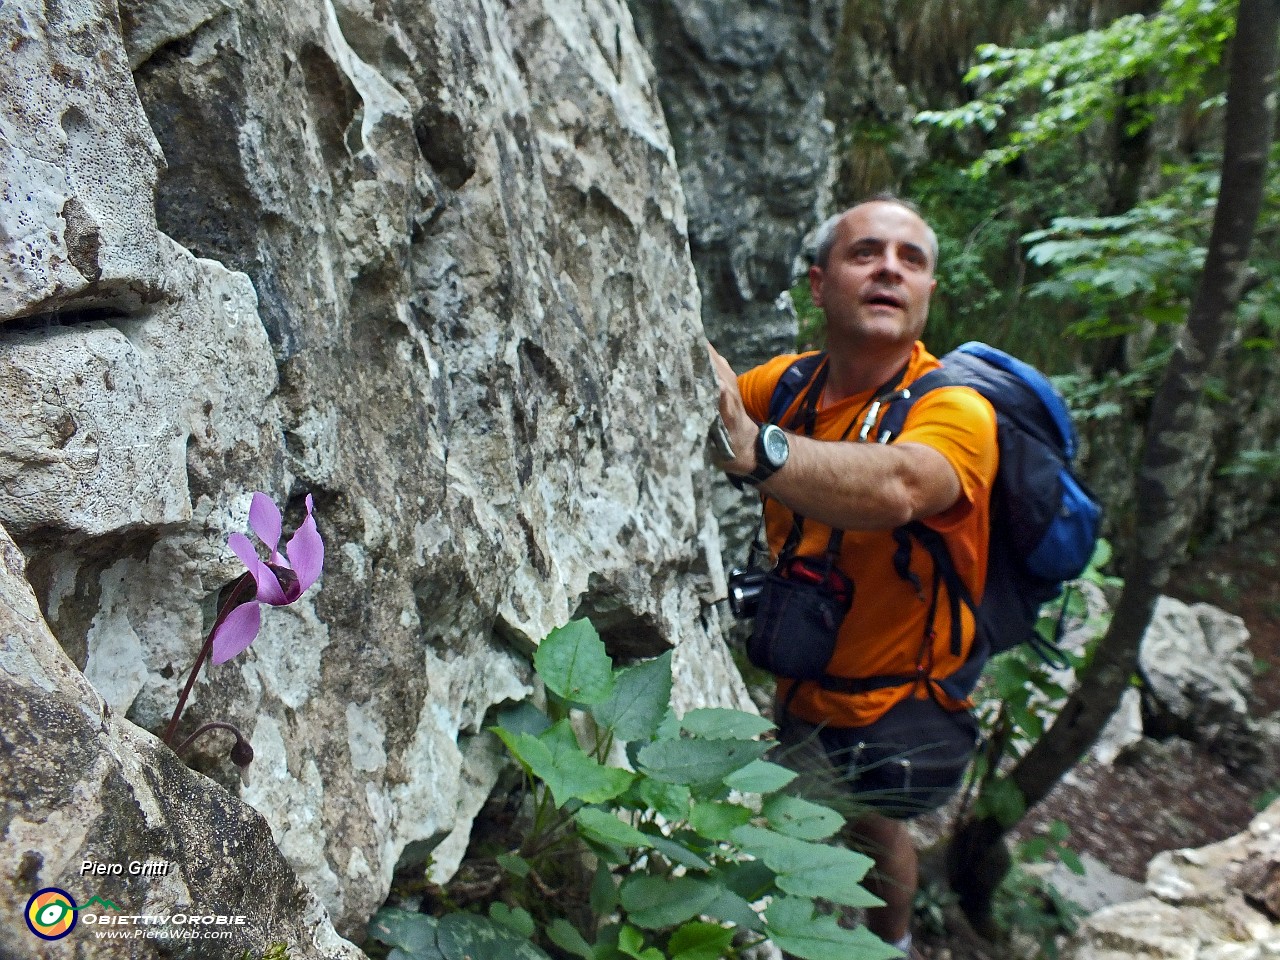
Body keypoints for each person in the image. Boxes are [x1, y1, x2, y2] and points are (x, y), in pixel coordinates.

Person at [708, 194, 998, 959]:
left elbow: (902, 485)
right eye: (866, 252)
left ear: (930, 292)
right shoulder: (793, 386)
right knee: (850, 827)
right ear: (818, 283)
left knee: (856, 826)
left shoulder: (956, 412)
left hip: (896, 702)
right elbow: (705, 393)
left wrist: (762, 451)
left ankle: (885, 944)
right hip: (803, 673)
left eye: (911, 260)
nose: (889, 270)